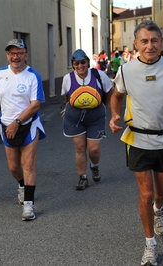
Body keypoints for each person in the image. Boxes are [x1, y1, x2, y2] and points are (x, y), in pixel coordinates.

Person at [109, 20, 163, 266]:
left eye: (154, 40)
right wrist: (114, 115)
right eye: (144, 41)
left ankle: (159, 211)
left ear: (161, 43)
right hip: (137, 138)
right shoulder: (126, 70)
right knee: (146, 193)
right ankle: (150, 245)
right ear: (136, 44)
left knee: (162, 194)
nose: (150, 45)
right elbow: (116, 95)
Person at [0, 39, 46, 221]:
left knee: (28, 164)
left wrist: (17, 122)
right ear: (7, 55)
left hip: (28, 125)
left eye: (19, 53)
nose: (16, 57)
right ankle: (22, 185)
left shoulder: (33, 76)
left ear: (26, 55)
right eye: (12, 53)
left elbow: (35, 105)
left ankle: (29, 204)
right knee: (14, 167)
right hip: (6, 126)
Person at [61, 49, 112, 190]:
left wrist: (105, 106)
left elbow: (109, 91)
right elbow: (67, 96)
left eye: (83, 62)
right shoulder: (68, 78)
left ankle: (94, 166)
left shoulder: (99, 75)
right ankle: (82, 177)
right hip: (75, 117)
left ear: (88, 62)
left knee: (93, 149)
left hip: (95, 116)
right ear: (73, 64)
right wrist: (67, 107)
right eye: (76, 63)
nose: (80, 66)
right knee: (80, 147)